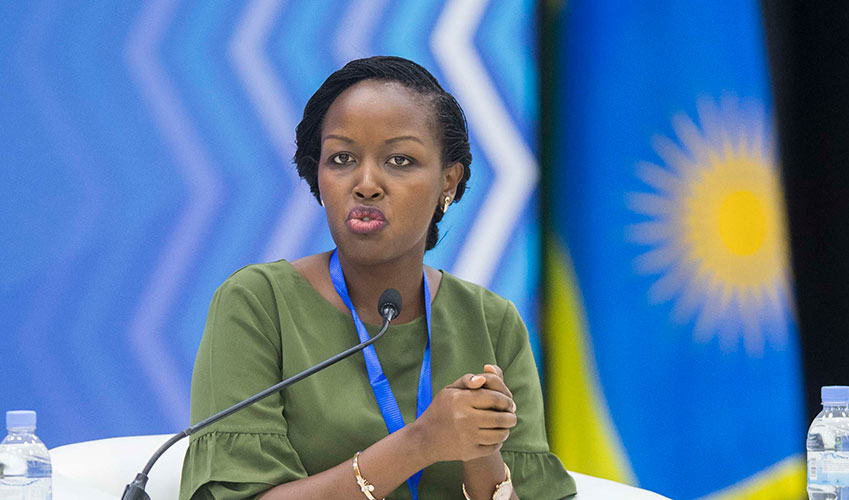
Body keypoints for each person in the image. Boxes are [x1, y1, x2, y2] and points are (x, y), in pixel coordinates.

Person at [179, 56, 577, 500]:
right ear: (318, 176)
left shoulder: (492, 323)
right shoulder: (258, 303)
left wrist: (482, 453)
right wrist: (421, 442)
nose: (366, 184)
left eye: (399, 160)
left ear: (448, 181)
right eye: (342, 158)